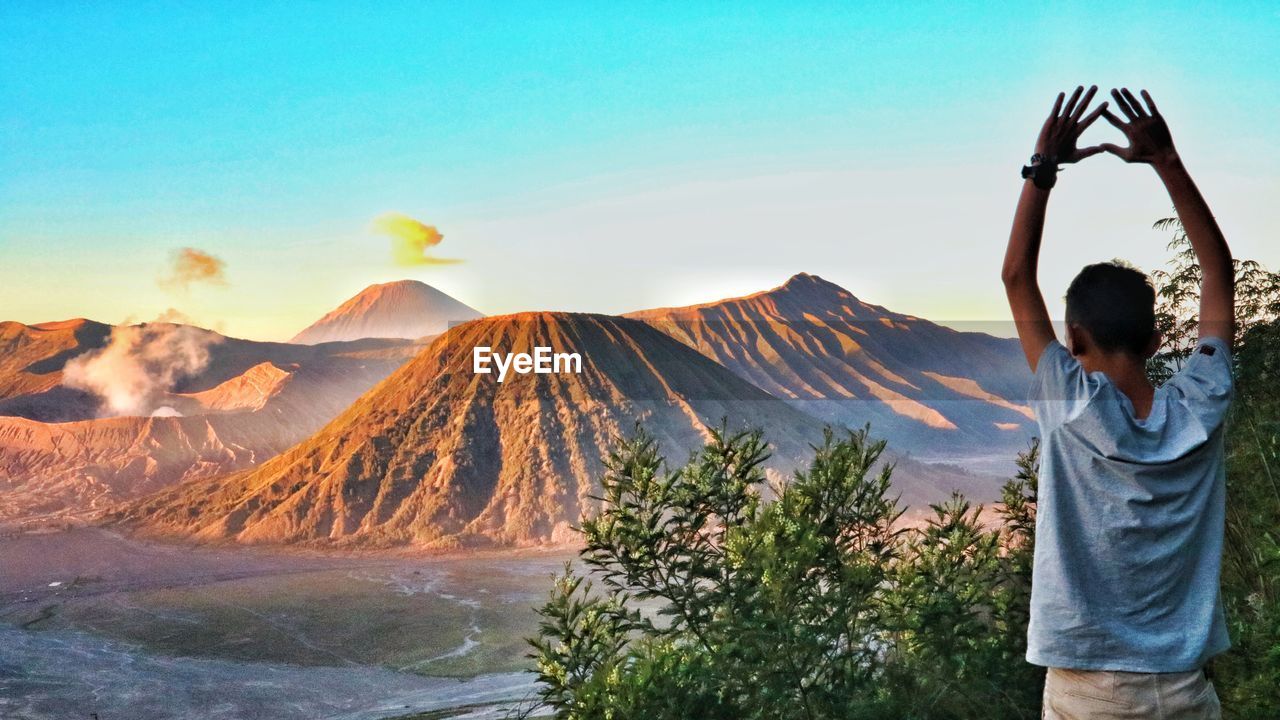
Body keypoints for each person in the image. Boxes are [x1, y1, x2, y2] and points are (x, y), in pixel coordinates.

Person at [1002, 86, 1235, 719]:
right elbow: (1217, 272)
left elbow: (1016, 276)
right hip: (1186, 690)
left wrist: (1042, 167)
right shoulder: (1202, 405)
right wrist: (1167, 161)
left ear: (1072, 339)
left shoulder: (1069, 402)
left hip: (1086, 692)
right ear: (1159, 339)